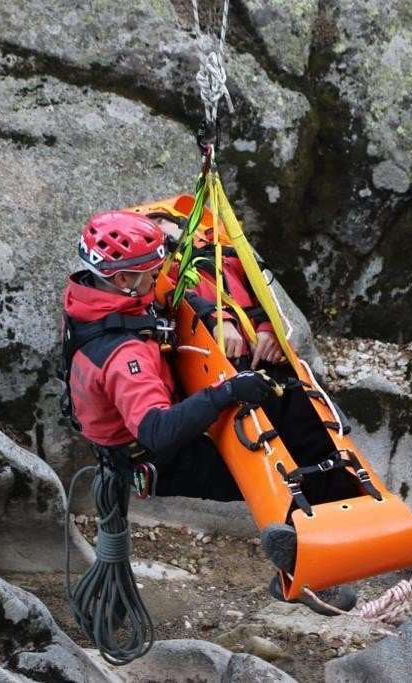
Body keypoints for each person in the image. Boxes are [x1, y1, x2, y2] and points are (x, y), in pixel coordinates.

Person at [62, 209, 359, 614]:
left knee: (283, 401)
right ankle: (307, 570)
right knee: (271, 472)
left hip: (151, 415)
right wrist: (226, 392)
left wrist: (237, 323)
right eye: (150, 272)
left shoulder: (95, 299)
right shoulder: (124, 356)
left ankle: (344, 507)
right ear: (123, 279)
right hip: (157, 454)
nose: (157, 277)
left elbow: (184, 286)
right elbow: (157, 430)